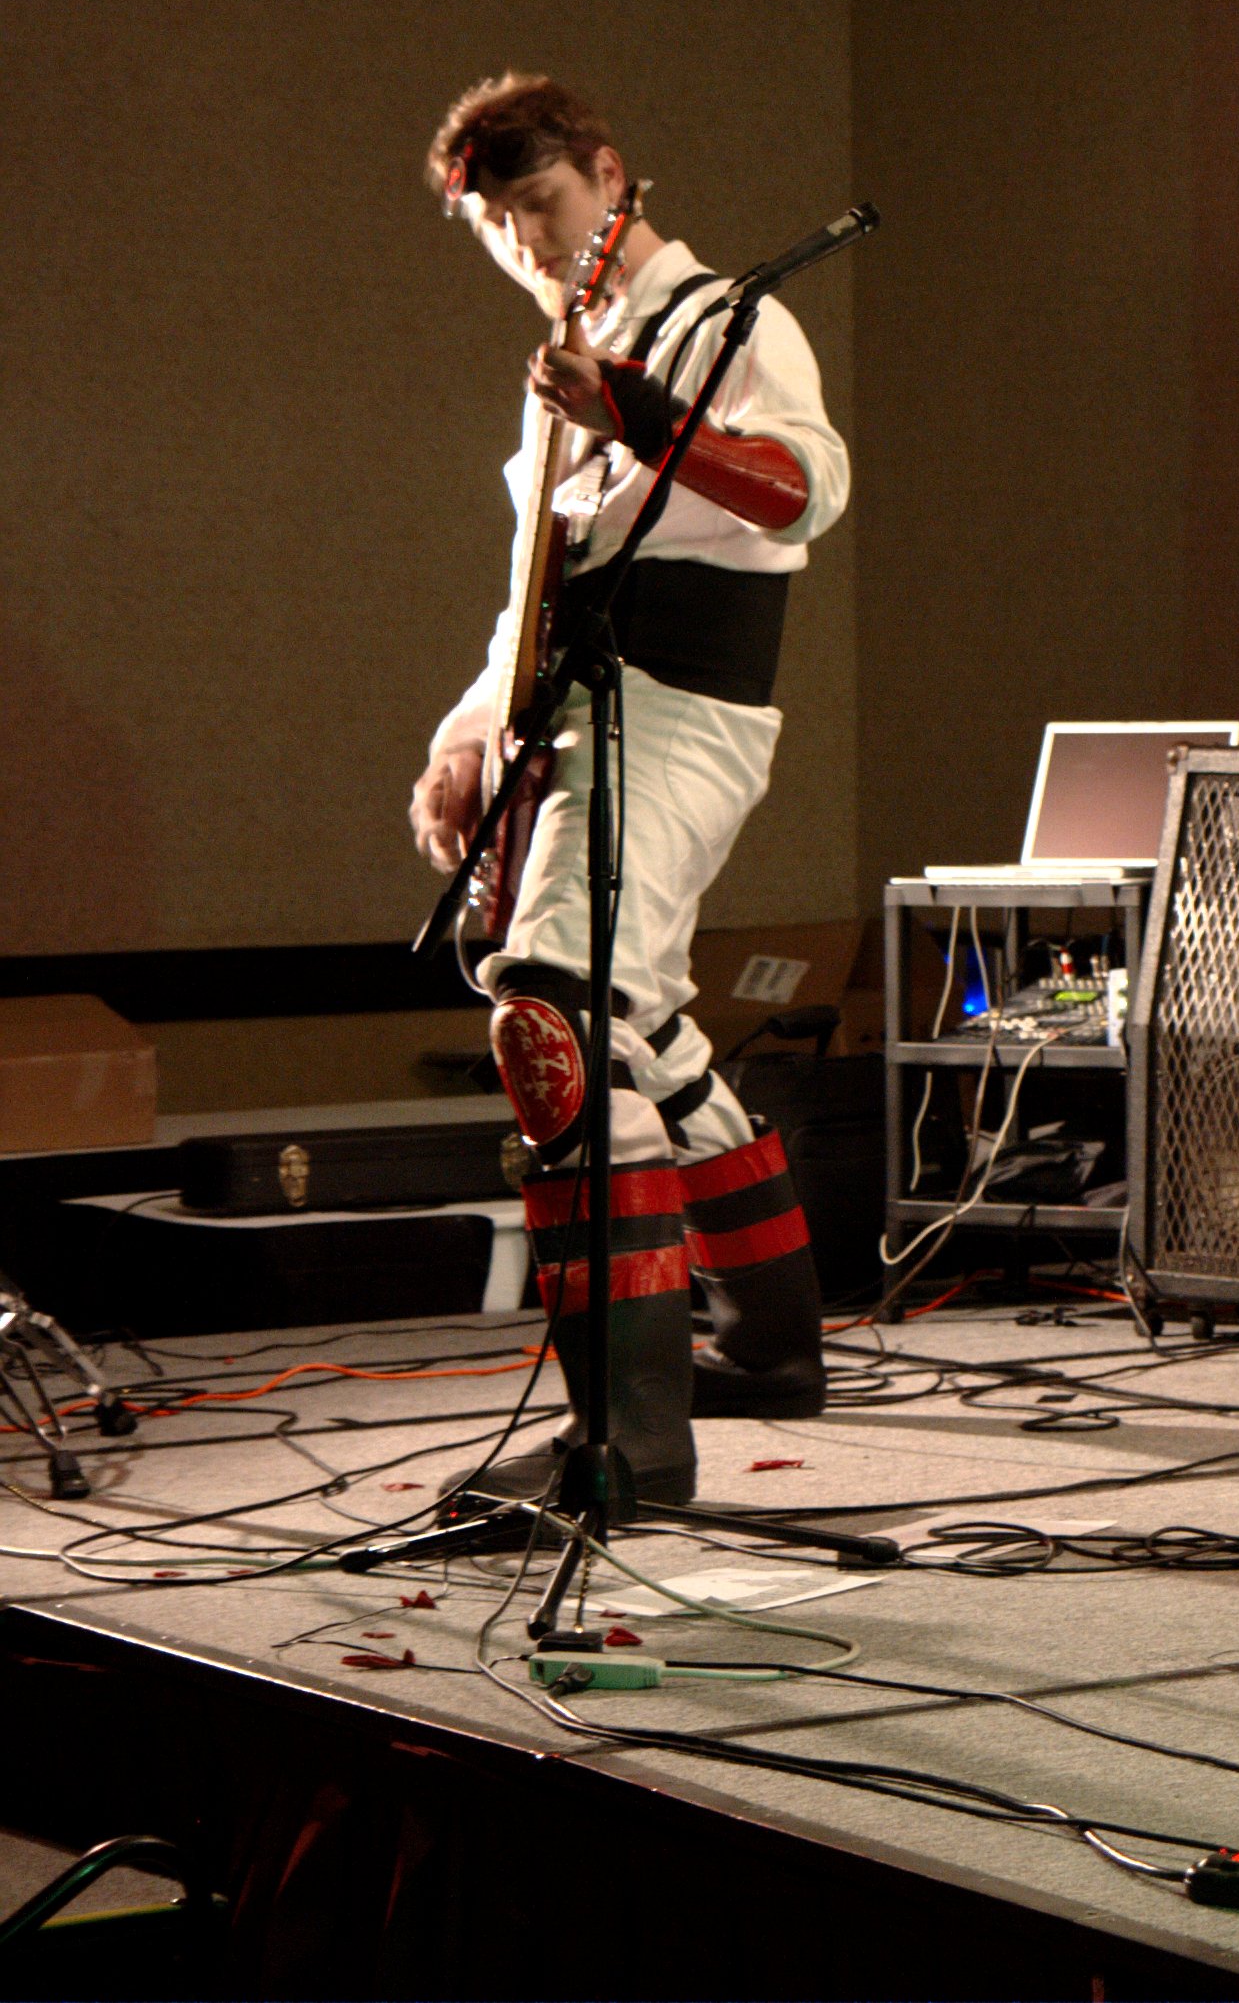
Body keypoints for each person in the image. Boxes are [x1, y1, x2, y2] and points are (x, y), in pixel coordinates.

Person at [407, 75, 850, 1511]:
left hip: (683, 703)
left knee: (554, 1007)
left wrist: (644, 415)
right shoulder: (564, 362)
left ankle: (631, 1438)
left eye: (540, 202)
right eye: (494, 222)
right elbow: (534, 584)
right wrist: (466, 738)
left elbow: (805, 492)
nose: (525, 240)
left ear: (607, 173)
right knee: (636, 1018)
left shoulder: (726, 322)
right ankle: (773, 1344)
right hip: (579, 703)